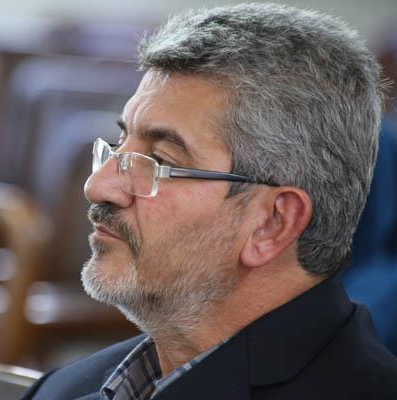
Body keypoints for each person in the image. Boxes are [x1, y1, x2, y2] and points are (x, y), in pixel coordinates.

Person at [22, 3, 397, 399]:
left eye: (159, 161)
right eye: (119, 145)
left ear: (273, 223)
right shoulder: (58, 390)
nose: (98, 186)